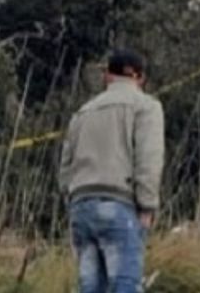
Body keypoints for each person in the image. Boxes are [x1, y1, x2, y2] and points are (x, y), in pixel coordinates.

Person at [59, 49, 165, 293]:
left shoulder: (83, 112)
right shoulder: (146, 106)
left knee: (90, 287)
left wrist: (72, 198)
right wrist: (147, 205)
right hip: (118, 205)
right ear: (140, 78)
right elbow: (148, 159)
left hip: (80, 207)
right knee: (124, 285)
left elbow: (65, 168)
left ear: (107, 76)